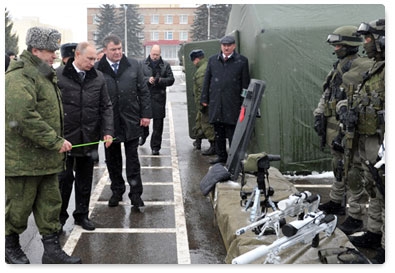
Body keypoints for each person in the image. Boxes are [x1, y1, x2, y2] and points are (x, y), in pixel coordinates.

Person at [5, 26, 81, 264]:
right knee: (18, 208)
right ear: (35, 50)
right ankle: (10, 248)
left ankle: (51, 250)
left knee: (50, 207)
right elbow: (23, 117)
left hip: (46, 159)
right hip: (23, 161)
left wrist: (54, 144)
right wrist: (54, 141)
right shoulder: (19, 77)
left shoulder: (44, 74)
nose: (55, 56)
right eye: (50, 51)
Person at [313, 26, 372, 222]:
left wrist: (343, 128)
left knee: (353, 169)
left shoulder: (361, 67)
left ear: (349, 46)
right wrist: (319, 114)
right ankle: (337, 201)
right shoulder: (339, 66)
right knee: (338, 165)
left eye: (339, 45)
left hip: (348, 128)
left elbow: (357, 100)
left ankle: (356, 212)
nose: (336, 48)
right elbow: (328, 93)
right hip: (333, 126)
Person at [56, 42, 114, 231]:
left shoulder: (98, 78)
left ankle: (81, 215)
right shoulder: (59, 76)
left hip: (89, 137)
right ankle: (59, 219)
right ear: (77, 55)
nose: (93, 62)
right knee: (63, 181)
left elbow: (106, 106)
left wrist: (108, 131)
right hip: (65, 139)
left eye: (95, 59)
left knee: (84, 181)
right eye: (89, 59)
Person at [95, 34, 152, 208]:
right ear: (105, 51)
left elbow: (143, 91)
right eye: (113, 49)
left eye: (120, 48)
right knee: (113, 160)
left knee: (133, 160)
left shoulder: (134, 65)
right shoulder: (98, 69)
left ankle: (136, 195)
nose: (118, 52)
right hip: (110, 123)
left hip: (131, 119)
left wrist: (146, 115)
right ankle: (116, 191)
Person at [345, 19, 385, 264]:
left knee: (384, 189)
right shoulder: (375, 68)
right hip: (371, 139)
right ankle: (374, 231)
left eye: (369, 38)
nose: (365, 43)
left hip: (383, 141)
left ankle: (386, 245)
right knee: (374, 187)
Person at [201, 35, 250, 164]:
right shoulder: (213, 60)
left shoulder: (242, 61)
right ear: (221, 46)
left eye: (229, 45)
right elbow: (207, 80)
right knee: (218, 131)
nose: (226, 47)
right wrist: (204, 98)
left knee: (233, 132)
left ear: (234, 46)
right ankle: (221, 156)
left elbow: (245, 84)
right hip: (216, 102)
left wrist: (244, 103)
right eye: (224, 45)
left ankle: (234, 158)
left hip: (232, 103)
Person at [140, 44, 175, 155]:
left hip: (159, 97)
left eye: (157, 55)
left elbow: (171, 80)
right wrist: (147, 79)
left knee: (158, 125)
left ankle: (155, 147)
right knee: (143, 121)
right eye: (153, 54)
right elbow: (138, 78)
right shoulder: (142, 64)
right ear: (150, 53)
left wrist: (160, 80)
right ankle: (144, 134)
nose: (155, 56)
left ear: (160, 54)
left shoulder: (165, 65)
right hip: (145, 96)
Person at [189, 49, 215, 155]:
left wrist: (201, 103)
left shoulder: (201, 71)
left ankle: (214, 146)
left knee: (207, 124)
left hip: (205, 103)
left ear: (196, 60)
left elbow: (201, 89)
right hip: (209, 102)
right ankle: (198, 141)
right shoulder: (207, 66)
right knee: (200, 122)